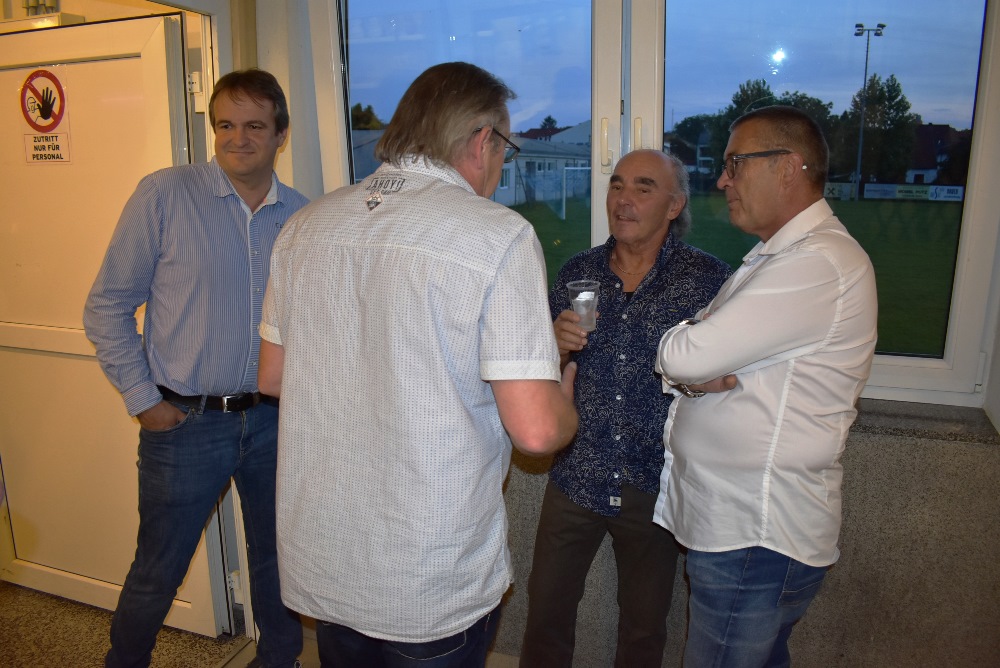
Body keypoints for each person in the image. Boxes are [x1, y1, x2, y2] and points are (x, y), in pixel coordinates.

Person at [257, 61, 579, 668]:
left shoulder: (304, 226)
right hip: (425, 570)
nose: (501, 164)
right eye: (505, 147)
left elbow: (273, 377)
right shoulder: (497, 236)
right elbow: (537, 432)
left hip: (328, 554)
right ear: (482, 140)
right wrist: (566, 403)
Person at [83, 69, 307, 668]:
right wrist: (145, 402)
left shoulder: (301, 216)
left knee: (279, 561)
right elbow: (106, 305)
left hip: (273, 423)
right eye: (225, 125)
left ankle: (278, 660)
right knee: (158, 569)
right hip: (186, 423)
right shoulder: (164, 195)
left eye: (254, 126)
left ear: (281, 134)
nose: (238, 139)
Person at [653, 105, 878, 667]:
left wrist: (685, 346)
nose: (722, 180)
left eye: (735, 163)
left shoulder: (816, 263)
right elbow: (701, 366)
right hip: (747, 532)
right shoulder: (778, 256)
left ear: (788, 167)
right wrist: (696, 368)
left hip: (756, 535)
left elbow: (682, 354)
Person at [519, 150, 732, 667]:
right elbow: (542, 370)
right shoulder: (579, 271)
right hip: (577, 473)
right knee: (545, 610)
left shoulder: (707, 279)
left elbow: (728, 376)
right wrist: (554, 345)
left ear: (675, 205)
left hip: (654, 480)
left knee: (643, 627)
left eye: (643, 187)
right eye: (617, 186)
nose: (624, 199)